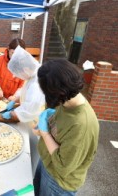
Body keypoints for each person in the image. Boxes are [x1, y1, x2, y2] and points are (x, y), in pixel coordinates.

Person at [33, 59, 99, 196]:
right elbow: (60, 131)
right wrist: (48, 123)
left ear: (58, 93)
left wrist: (45, 134)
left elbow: (63, 167)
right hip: (47, 162)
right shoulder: (67, 100)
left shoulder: (82, 125)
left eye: (46, 92)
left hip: (59, 182)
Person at [1, 46, 45, 123]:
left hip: (34, 121)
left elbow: (29, 110)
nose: (20, 77)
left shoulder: (36, 84)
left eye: (19, 74)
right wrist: (15, 100)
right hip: (28, 119)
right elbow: (26, 92)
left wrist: (11, 114)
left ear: (26, 69)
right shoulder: (32, 74)